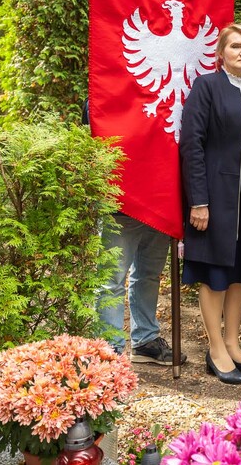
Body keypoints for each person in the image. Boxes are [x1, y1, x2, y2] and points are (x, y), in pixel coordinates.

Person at [180, 23, 241, 385]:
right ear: (221, 53)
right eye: (235, 46)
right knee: (216, 273)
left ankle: (234, 343)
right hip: (216, 198)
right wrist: (199, 202)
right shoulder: (206, 87)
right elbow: (192, 146)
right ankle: (216, 348)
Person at [87, 100, 186, 367]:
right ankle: (109, 350)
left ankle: (145, 341)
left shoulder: (163, 94)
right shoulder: (109, 93)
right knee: (111, 280)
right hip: (120, 203)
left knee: (149, 275)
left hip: (159, 199)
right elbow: (96, 126)